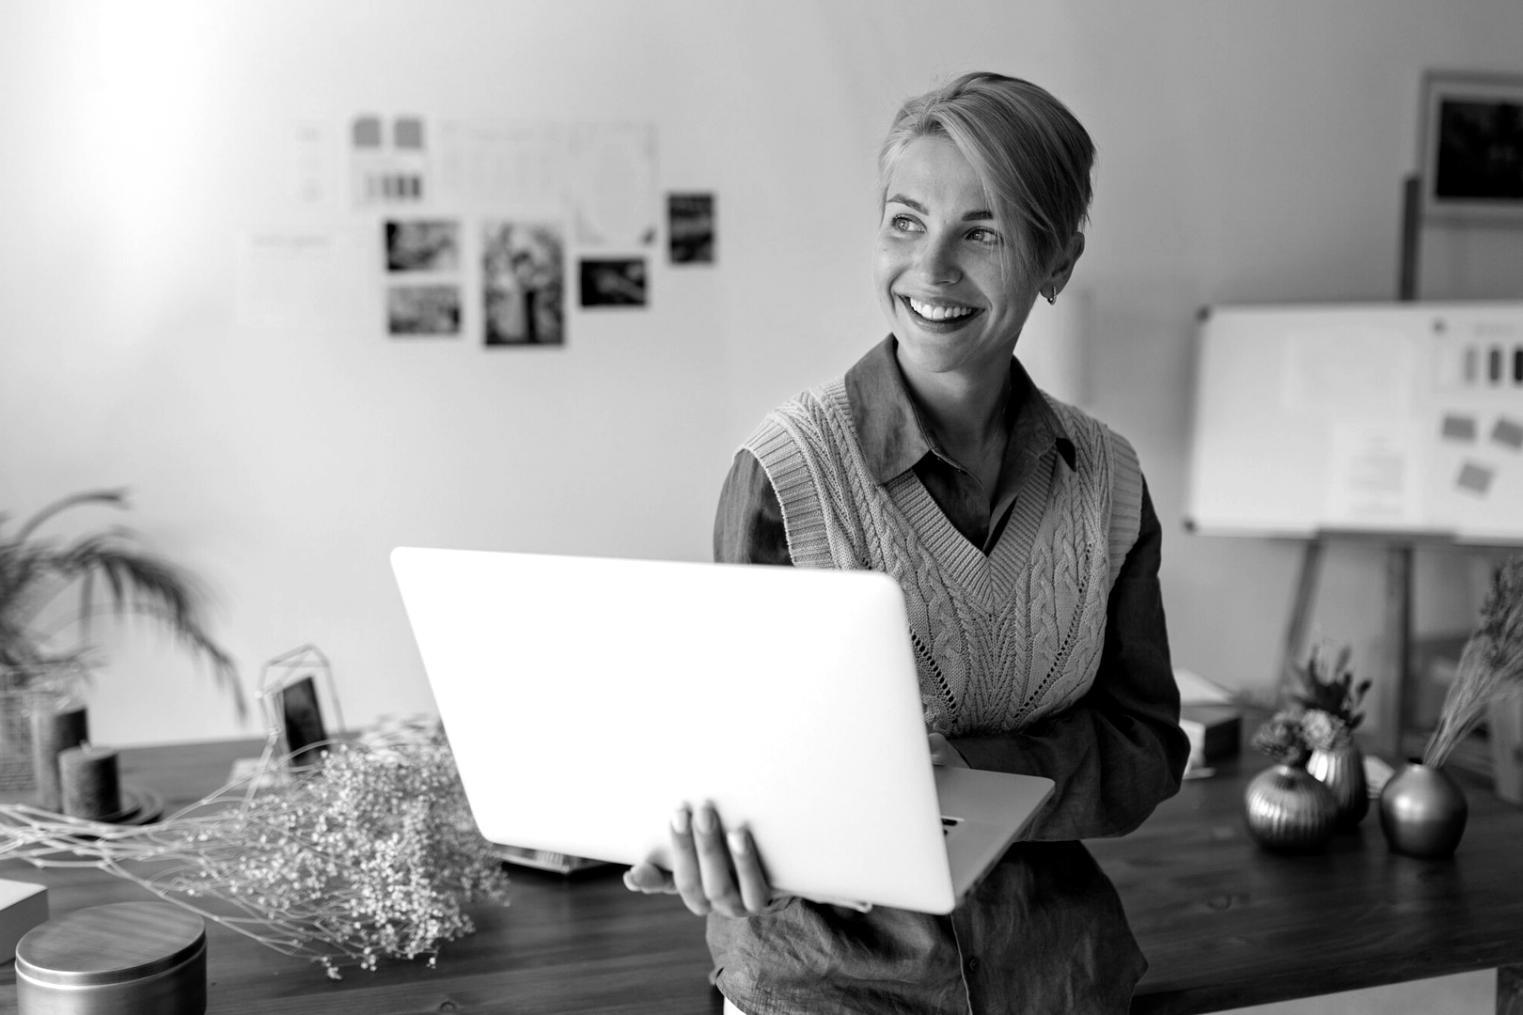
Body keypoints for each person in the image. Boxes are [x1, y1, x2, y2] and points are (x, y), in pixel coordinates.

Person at [625, 70, 1190, 1014]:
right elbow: (751, 768)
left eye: (982, 232)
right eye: (904, 222)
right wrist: (714, 841)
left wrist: (970, 776)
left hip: (1053, 977)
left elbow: (1143, 745)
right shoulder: (784, 475)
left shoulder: (1109, 481)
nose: (930, 270)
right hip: (825, 981)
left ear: (1057, 261)